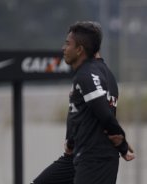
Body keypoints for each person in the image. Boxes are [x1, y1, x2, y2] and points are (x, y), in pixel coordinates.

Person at [31, 21, 134, 184]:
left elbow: (104, 113)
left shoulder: (88, 74)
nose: (63, 48)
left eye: (67, 44)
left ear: (81, 49)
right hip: (79, 153)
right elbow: (83, 114)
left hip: (95, 158)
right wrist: (71, 141)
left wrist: (122, 144)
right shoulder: (93, 73)